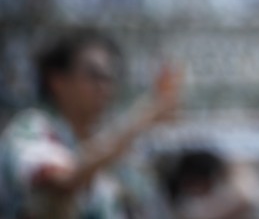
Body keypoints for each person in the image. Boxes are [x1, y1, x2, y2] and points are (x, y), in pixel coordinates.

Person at [0, 27, 181, 218]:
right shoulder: (32, 128)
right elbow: (64, 181)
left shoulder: (119, 158)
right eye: (95, 76)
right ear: (57, 80)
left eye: (110, 78)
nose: (105, 87)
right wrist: (143, 118)